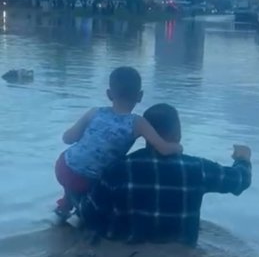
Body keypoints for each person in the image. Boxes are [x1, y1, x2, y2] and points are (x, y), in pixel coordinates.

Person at [81, 103, 252, 245]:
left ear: (146, 135)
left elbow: (90, 214)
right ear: (178, 133)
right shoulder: (197, 169)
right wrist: (243, 158)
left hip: (129, 254)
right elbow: (240, 180)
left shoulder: (117, 169)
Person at [54, 67, 182, 220]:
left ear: (109, 94)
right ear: (140, 96)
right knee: (99, 186)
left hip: (63, 168)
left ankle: (66, 203)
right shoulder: (137, 123)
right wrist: (178, 147)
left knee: (79, 167)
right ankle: (81, 210)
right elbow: (164, 149)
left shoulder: (95, 112)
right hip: (89, 181)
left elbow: (68, 139)